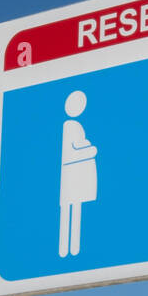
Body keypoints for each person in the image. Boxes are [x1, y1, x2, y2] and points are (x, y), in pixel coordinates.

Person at [59, 90, 97, 257]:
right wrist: (91, 150)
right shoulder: (69, 126)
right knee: (68, 210)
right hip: (71, 170)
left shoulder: (77, 125)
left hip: (80, 171)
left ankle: (74, 249)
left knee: (76, 208)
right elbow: (71, 149)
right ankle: (64, 249)